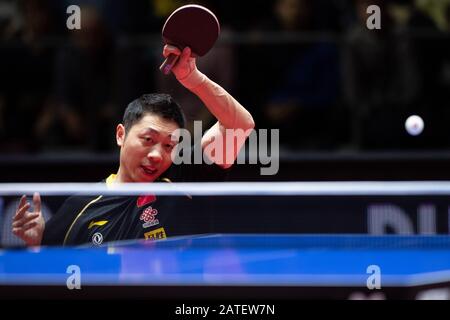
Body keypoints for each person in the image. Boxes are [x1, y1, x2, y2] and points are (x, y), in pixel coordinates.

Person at [11, 45, 255, 247]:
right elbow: (52, 272)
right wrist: (37, 245)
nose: (158, 155)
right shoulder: (80, 206)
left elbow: (239, 125)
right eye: (148, 140)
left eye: (169, 146)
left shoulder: (181, 183)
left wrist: (192, 78)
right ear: (121, 135)